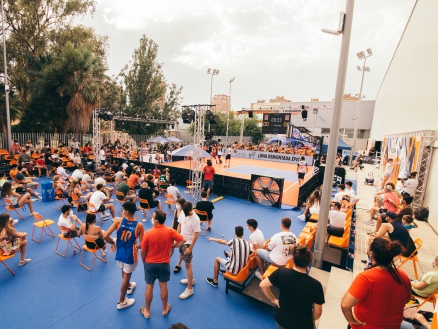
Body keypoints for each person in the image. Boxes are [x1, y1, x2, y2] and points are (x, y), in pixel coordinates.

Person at [341, 237, 411, 328]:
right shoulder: (403, 275)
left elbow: (345, 305)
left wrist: (351, 320)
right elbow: (407, 300)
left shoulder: (366, 278)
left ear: (371, 254)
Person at [260, 245, 324, 329]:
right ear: (309, 262)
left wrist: (273, 300)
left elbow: (262, 285)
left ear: (293, 259)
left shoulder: (281, 272)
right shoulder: (316, 285)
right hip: (303, 325)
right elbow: (317, 313)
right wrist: (309, 320)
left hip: (282, 321)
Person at [139, 210, 185, 318]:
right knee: (163, 285)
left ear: (156, 221)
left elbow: (142, 251)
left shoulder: (148, 233)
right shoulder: (170, 231)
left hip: (149, 263)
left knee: (149, 287)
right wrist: (172, 246)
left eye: (153, 217)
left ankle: (147, 312)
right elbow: (183, 240)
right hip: (164, 263)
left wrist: (144, 260)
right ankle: (164, 309)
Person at [104, 202, 145, 310]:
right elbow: (142, 244)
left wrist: (113, 243)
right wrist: (138, 247)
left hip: (120, 251)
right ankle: (121, 301)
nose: (122, 210)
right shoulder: (139, 225)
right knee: (126, 277)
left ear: (127, 211)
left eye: (123, 209)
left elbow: (105, 236)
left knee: (123, 272)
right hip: (130, 254)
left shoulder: (118, 221)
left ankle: (129, 285)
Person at [174, 202, 201, 300]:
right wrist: (176, 236)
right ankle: (191, 280)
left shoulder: (196, 219)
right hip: (181, 240)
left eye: (187, 212)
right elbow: (180, 224)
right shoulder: (183, 212)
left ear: (191, 210)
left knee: (187, 265)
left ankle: (189, 289)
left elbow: (196, 234)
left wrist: (190, 248)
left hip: (188, 243)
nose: (184, 214)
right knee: (185, 263)